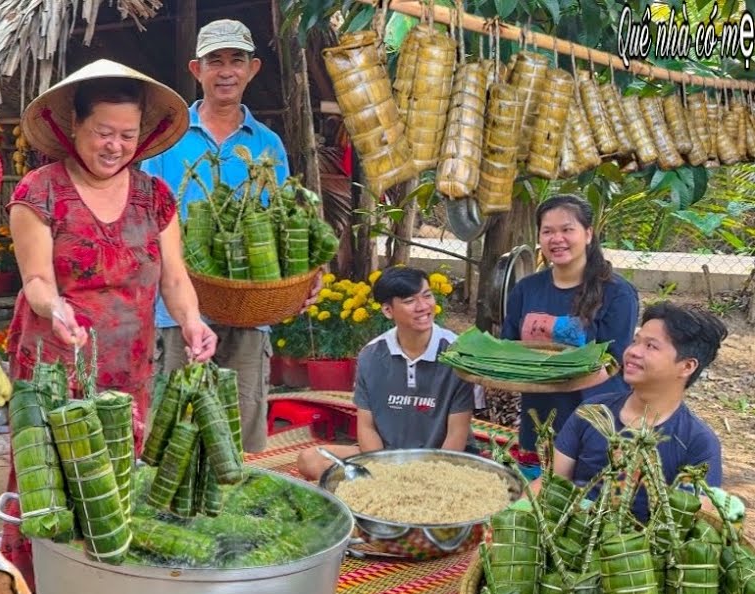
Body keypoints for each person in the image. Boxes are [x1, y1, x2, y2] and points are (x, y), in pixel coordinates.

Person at [1, 59, 218, 591]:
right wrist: (56, 309)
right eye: (103, 132)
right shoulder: (40, 191)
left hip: (128, 365)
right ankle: (37, 591)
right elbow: (36, 280)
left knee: (115, 475)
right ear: (74, 125)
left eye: (127, 134)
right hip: (55, 362)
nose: (115, 145)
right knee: (51, 479)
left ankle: (103, 590)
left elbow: (174, 278)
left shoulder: (155, 196)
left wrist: (193, 321)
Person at [142, 19, 299, 455]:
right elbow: (147, 218)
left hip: (249, 307)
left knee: (240, 431)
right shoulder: (167, 141)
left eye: (236, 60)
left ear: (252, 69)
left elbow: (281, 220)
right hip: (177, 309)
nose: (226, 71)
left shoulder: (268, 145)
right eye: (215, 61)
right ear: (197, 70)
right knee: (173, 431)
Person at [296, 267, 474, 485]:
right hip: (388, 457)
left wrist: (435, 476)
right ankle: (376, 485)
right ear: (388, 311)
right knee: (310, 459)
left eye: (427, 296)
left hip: (442, 460)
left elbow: (457, 432)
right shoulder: (371, 355)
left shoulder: (457, 354)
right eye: (410, 301)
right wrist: (382, 472)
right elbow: (367, 426)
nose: (423, 306)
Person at [502, 194, 639, 476]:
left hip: (594, 419)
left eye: (567, 229)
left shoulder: (617, 293)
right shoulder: (526, 289)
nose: (557, 239)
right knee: (537, 493)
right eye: (547, 231)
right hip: (538, 416)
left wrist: (555, 379)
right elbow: (510, 347)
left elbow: (615, 362)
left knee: (584, 494)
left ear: (588, 234)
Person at [554, 302, 727, 521]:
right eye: (635, 341)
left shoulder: (697, 443)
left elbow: (692, 521)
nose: (633, 352)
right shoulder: (593, 412)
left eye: (651, 346)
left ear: (687, 366)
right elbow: (552, 483)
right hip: (571, 531)